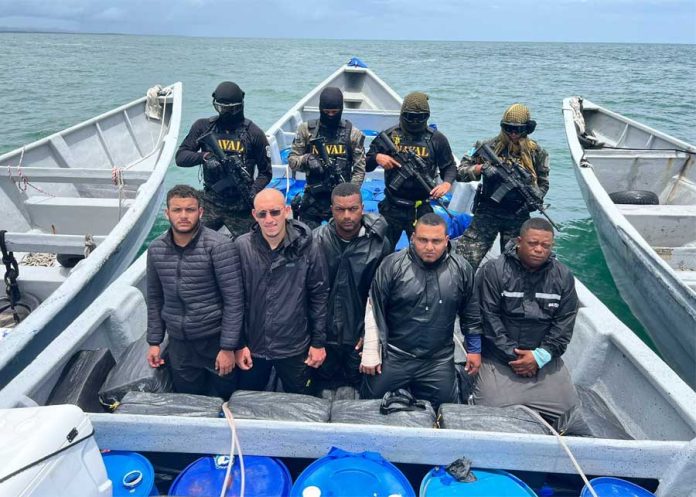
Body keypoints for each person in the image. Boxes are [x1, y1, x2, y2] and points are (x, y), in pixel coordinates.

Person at [362, 213, 482, 408]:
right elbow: (374, 308)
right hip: (395, 355)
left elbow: (471, 313)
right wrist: (371, 351)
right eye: (423, 240)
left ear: (446, 240)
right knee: (368, 406)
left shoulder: (462, 269)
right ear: (412, 238)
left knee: (449, 410)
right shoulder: (391, 265)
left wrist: (474, 350)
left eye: (436, 241)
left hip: (438, 360)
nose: (429, 247)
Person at [473, 217, 579, 422]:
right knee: (487, 415)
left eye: (545, 245)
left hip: (543, 358)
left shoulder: (563, 276)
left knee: (571, 418)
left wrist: (540, 356)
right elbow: (487, 318)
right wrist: (514, 356)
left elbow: (564, 323)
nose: (539, 249)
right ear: (519, 241)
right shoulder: (493, 271)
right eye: (533, 243)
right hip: (499, 357)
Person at [230, 188, 329, 395]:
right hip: (253, 346)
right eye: (262, 214)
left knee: (301, 398)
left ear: (286, 210)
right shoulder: (241, 247)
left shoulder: (309, 247)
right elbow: (233, 300)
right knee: (248, 399)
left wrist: (318, 343)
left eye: (275, 212)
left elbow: (319, 296)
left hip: (294, 346)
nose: (269, 219)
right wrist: (238, 344)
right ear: (254, 215)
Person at [146, 185, 240, 398]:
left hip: (214, 341)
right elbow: (155, 298)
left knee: (225, 398)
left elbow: (234, 300)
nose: (183, 216)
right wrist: (154, 342)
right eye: (177, 210)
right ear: (167, 213)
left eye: (190, 209)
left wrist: (228, 348)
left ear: (200, 212)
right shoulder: (156, 249)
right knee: (189, 401)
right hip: (179, 344)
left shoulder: (219, 246)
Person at [312, 183, 391, 388]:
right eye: (340, 209)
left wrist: (371, 335)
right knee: (319, 385)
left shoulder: (379, 244)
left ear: (362, 208)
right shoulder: (316, 240)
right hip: (324, 334)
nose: (347, 216)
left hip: (358, 335)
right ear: (332, 210)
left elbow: (382, 296)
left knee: (362, 387)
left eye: (353, 209)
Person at [455, 103, 550, 270]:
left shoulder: (537, 152)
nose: (513, 134)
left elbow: (543, 183)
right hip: (487, 212)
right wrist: (480, 168)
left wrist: (535, 196)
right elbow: (460, 172)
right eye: (508, 128)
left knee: (517, 266)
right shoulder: (488, 146)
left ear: (527, 129)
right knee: (464, 261)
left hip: (517, 215)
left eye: (518, 130)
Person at [175, 81, 272, 238]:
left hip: (242, 203)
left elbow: (266, 173)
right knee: (189, 239)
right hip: (211, 201)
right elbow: (181, 157)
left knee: (254, 245)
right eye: (221, 108)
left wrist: (253, 191)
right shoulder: (203, 127)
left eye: (230, 109)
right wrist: (204, 157)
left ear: (239, 106)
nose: (225, 113)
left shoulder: (254, 134)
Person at [366, 91, 456, 251]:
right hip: (392, 205)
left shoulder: (436, 139)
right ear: (403, 115)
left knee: (424, 253)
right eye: (410, 117)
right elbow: (366, 164)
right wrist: (377, 157)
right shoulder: (389, 136)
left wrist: (446, 184)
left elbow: (449, 166)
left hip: (421, 207)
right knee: (380, 252)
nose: (415, 121)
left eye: (420, 117)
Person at [288, 87, 366, 229]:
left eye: (335, 112)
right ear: (320, 109)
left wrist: (350, 194)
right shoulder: (306, 130)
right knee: (306, 237)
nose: (330, 115)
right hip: (313, 197)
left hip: (341, 200)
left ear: (341, 110)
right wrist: (306, 159)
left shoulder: (353, 134)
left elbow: (359, 170)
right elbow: (292, 161)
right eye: (327, 112)